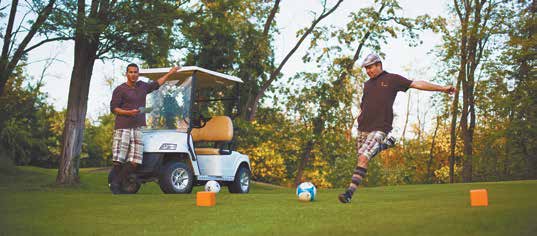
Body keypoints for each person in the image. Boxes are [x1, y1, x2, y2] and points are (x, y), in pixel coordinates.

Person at [338, 54, 456, 203]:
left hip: (381, 126)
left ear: (379, 65)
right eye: (366, 69)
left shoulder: (392, 79)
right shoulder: (367, 84)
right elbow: (365, 104)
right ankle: (384, 146)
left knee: (363, 158)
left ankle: (349, 193)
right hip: (363, 127)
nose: (368, 71)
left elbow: (416, 84)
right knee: (362, 158)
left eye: (370, 67)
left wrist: (442, 88)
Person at [109, 63, 180, 194]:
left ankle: (117, 182)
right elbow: (114, 108)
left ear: (138, 74)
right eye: (130, 72)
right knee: (119, 159)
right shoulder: (120, 89)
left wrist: (171, 73)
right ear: (126, 74)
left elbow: (157, 83)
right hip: (123, 126)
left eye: (135, 72)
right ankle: (116, 185)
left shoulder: (142, 86)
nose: (133, 74)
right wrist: (128, 113)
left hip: (138, 127)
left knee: (135, 160)